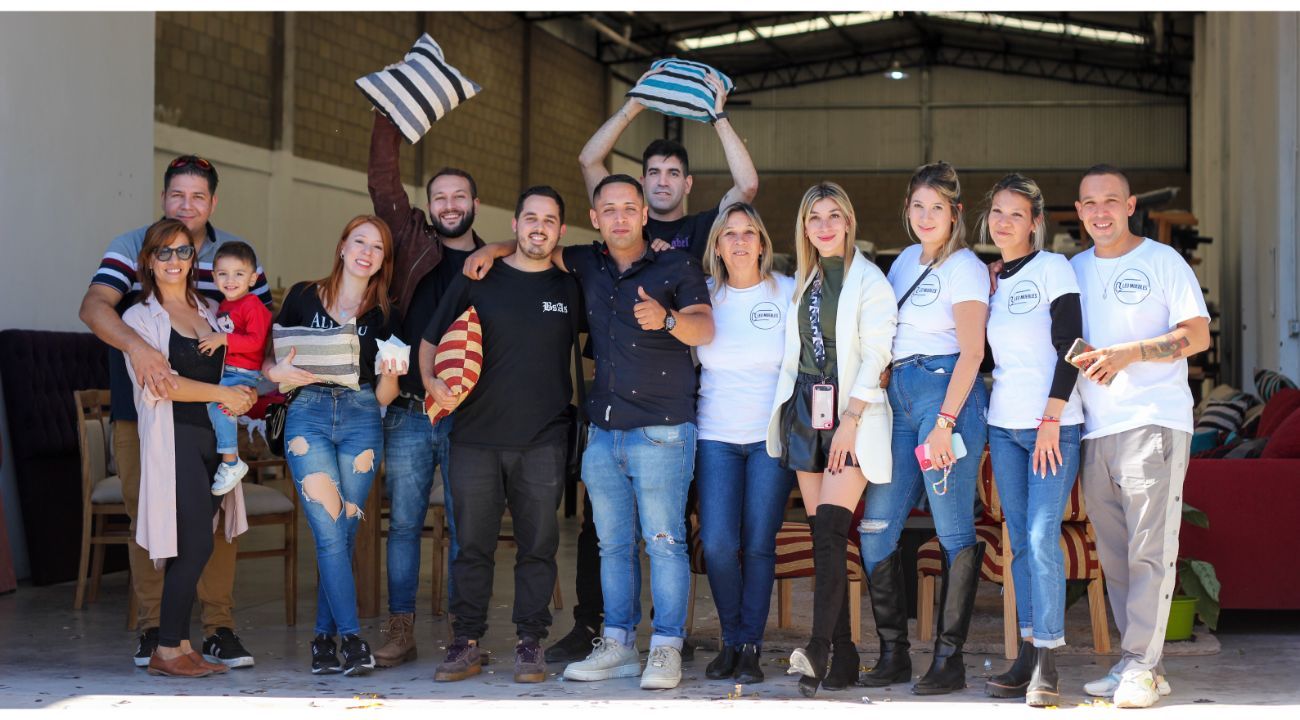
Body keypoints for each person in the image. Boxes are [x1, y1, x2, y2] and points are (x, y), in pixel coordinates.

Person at [463, 174, 715, 690]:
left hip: (664, 430)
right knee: (612, 545)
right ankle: (618, 644)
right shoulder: (585, 262)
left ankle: (665, 647)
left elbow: (705, 327)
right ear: (595, 219)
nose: (620, 217)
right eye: (609, 210)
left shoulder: (677, 265)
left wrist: (667, 320)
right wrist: (494, 247)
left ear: (644, 215)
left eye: (629, 208)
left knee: (664, 543)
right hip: (604, 433)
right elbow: (538, 244)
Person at [79, 154, 266, 669]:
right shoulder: (133, 246)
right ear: (163, 197)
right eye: (177, 194)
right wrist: (139, 349)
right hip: (147, 410)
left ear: (213, 202)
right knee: (150, 515)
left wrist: (260, 383)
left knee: (214, 525)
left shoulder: (233, 256)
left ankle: (217, 628)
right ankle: (156, 631)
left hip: (213, 415)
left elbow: (256, 331)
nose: (187, 205)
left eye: (198, 196)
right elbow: (94, 306)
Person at [419, 186, 580, 685]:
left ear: (560, 231)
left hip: (543, 440)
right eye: (530, 218)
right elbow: (429, 340)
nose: (538, 227)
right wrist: (429, 381)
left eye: (548, 220)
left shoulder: (571, 287)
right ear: (514, 224)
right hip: (474, 438)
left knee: (539, 547)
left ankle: (531, 643)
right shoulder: (478, 276)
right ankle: (465, 642)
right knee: (472, 547)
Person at [1069, 165, 1209, 709]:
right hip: (1096, 427)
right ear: (1078, 212)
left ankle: (1140, 667)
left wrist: (1131, 353)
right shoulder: (1073, 269)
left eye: (1111, 200)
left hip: (1153, 420)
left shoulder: (1162, 260)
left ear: (1130, 206)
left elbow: (1196, 336)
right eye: (1089, 202)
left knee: (1150, 551)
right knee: (1117, 557)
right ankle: (1142, 665)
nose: (1100, 211)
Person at [857, 161, 990, 696]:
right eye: (918, 205)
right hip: (898, 398)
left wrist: (945, 422)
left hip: (944, 396)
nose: (926, 215)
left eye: (937, 207)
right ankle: (893, 654)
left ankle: (949, 661)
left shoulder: (966, 268)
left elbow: (973, 352)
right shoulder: (903, 262)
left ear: (955, 212)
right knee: (875, 529)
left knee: (953, 529)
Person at [766, 183, 897, 697]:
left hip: (852, 413)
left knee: (830, 531)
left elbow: (878, 352)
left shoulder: (870, 281)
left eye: (833, 215)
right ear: (804, 227)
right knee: (824, 538)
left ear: (848, 221)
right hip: (806, 410)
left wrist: (851, 419)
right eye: (814, 217)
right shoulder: (806, 281)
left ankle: (817, 647)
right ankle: (843, 658)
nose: (824, 226)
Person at [264, 215, 406, 677]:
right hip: (307, 414)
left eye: (377, 247)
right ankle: (352, 639)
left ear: (384, 260)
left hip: (362, 416)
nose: (367, 252)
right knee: (328, 530)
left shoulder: (386, 313)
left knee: (343, 531)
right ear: (342, 246)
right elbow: (269, 359)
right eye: (359, 241)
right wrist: (275, 373)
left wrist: (391, 376)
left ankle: (323, 641)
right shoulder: (303, 295)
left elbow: (385, 396)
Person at [367, 111, 485, 667]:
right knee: (404, 525)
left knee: (466, 528)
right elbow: (383, 183)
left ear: (475, 204)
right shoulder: (412, 241)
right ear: (429, 205)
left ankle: (465, 633)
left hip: (468, 415)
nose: (449, 205)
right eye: (440, 197)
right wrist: (386, 119)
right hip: (410, 411)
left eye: (459, 196)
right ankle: (401, 627)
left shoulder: (495, 262)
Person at [121, 219, 256, 677]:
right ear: (148, 261)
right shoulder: (139, 318)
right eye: (164, 252)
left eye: (182, 251)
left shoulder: (210, 310)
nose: (174, 260)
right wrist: (223, 394)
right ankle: (165, 650)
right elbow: (162, 384)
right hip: (173, 438)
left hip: (216, 442)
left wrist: (248, 390)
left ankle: (178, 644)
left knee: (197, 542)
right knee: (196, 542)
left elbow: (236, 364)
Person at [977, 174, 1084, 706]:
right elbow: (990, 357)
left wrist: (1051, 417)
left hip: (1052, 426)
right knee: (1019, 540)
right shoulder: (994, 280)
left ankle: (1048, 661)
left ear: (1035, 223)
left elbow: (1073, 346)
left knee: (1042, 537)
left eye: (1016, 214)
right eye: (997, 212)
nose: (1003, 222)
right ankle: (1025, 652)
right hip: (1004, 424)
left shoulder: (1054, 268)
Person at [695, 203, 796, 685]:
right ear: (717, 245)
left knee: (758, 544)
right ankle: (732, 639)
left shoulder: (788, 291)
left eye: (748, 232)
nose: (739, 241)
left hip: (769, 439)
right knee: (717, 543)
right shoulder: (702, 296)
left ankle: (749, 645)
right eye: (729, 233)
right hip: (714, 436)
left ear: (762, 243)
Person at [577, 68, 758, 260]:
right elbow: (588, 161)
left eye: (673, 173)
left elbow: (747, 186)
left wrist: (719, 119)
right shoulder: (625, 222)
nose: (662, 182)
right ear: (643, 182)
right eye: (654, 172)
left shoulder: (705, 227)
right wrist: (633, 106)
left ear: (687, 184)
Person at [199, 241, 272, 496]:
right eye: (223, 274)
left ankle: (231, 463)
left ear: (252, 278)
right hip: (228, 371)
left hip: (242, 373)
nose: (230, 280)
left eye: (239, 274)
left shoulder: (252, 305)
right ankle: (226, 456)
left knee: (221, 407)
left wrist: (222, 339)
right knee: (214, 408)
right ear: (213, 277)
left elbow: (256, 342)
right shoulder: (224, 306)